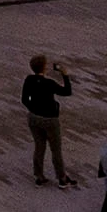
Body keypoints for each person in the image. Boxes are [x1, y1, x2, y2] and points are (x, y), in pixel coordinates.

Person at [23, 55, 76, 187]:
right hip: (50, 120)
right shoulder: (49, 84)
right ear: (44, 67)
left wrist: (33, 108)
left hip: (33, 118)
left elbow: (24, 99)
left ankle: (39, 176)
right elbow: (66, 91)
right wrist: (65, 75)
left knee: (39, 147)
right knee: (56, 149)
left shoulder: (29, 80)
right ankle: (62, 178)